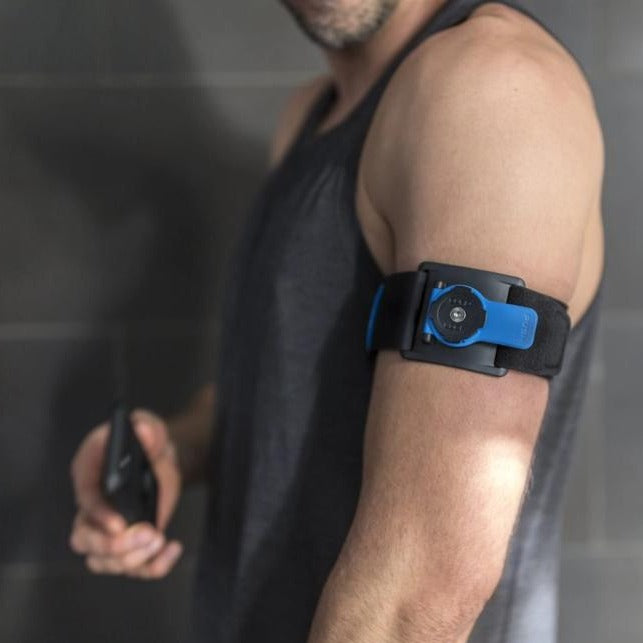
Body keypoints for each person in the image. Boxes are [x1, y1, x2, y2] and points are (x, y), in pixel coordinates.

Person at [69, 0, 605, 641]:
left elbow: (416, 598)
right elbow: (293, 384)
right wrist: (177, 450)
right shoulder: (311, 114)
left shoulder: (493, 90)